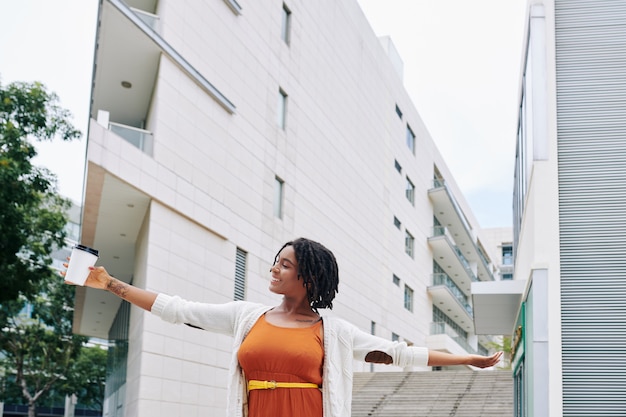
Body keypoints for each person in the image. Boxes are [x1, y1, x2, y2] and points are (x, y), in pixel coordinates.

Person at [63, 237, 502, 417]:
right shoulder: (246, 316)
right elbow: (178, 309)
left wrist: (468, 360)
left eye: (285, 264)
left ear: (308, 278)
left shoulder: (335, 331)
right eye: (276, 260)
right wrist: (111, 284)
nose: (274, 268)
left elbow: (401, 354)